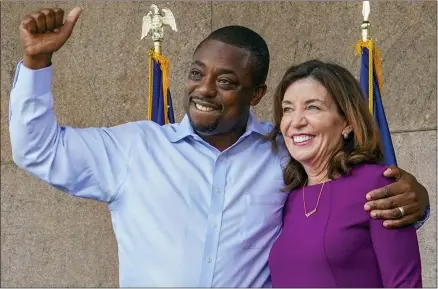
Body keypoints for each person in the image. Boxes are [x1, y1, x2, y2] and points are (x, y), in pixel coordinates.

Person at [9, 7, 429, 287]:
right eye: (196, 73)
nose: (204, 90)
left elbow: (353, 199)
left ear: (257, 93)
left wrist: (417, 199)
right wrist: (35, 64)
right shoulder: (134, 148)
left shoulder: (285, 156)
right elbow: (37, 150)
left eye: (226, 81)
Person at [267, 60, 422, 287]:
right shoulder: (290, 197)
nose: (296, 122)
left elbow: (404, 284)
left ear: (347, 122)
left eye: (313, 107)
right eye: (288, 109)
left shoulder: (376, 185)